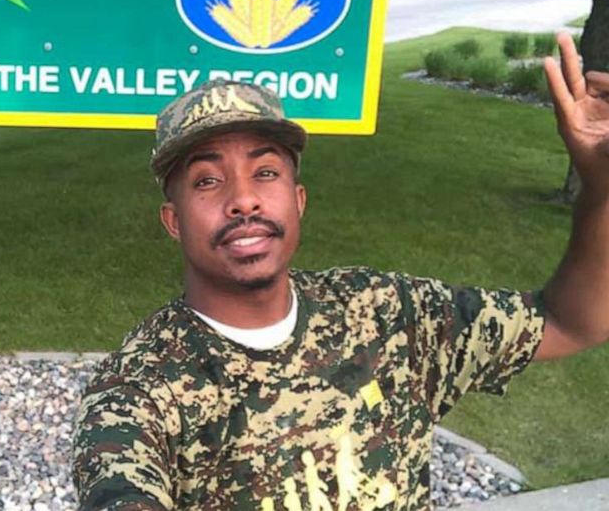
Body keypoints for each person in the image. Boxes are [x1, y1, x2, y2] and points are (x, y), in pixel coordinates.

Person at [72, 32, 609, 511]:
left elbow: (571, 321)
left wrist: (602, 192)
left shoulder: (384, 313)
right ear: (173, 221)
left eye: (265, 172)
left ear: (298, 200)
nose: (243, 200)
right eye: (207, 182)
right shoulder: (141, 389)